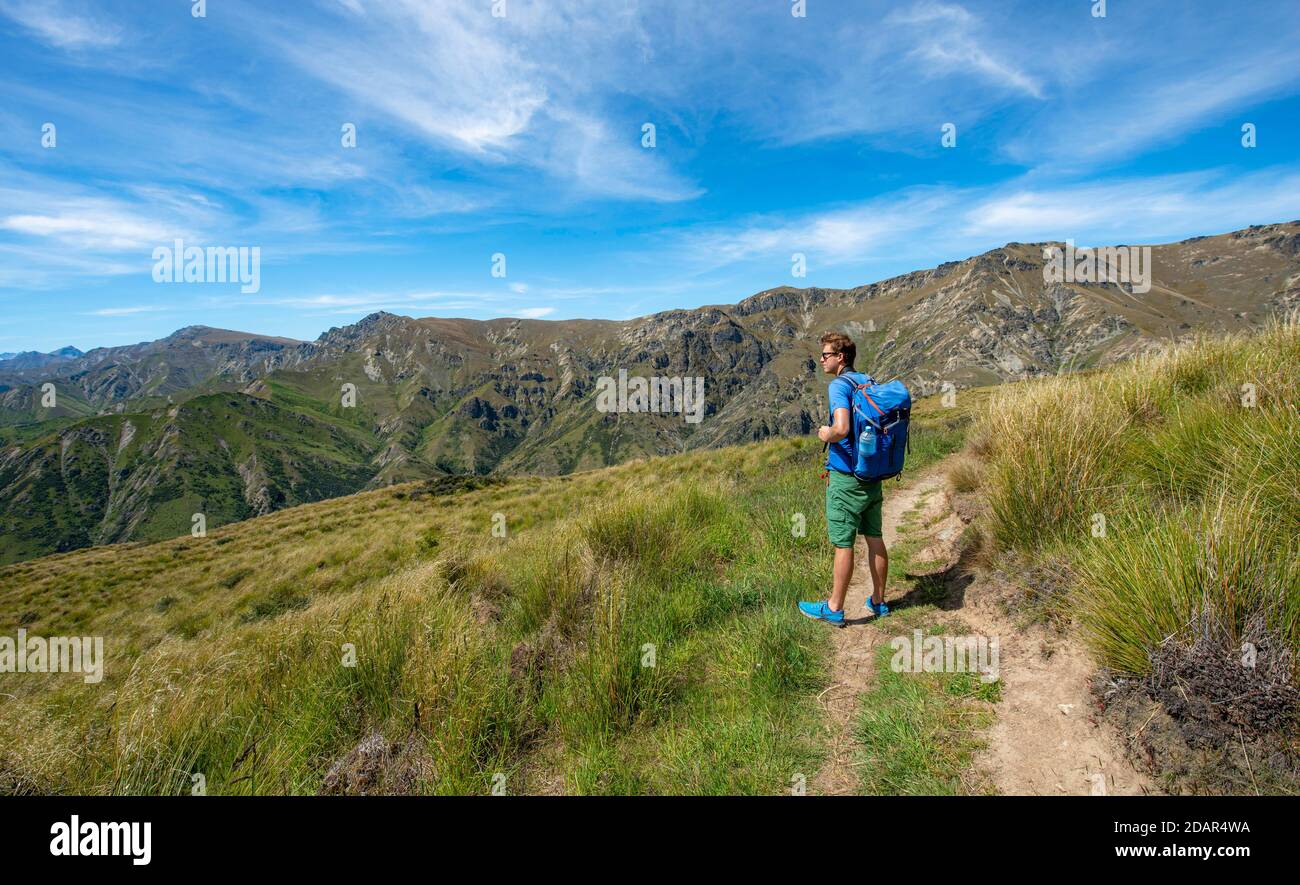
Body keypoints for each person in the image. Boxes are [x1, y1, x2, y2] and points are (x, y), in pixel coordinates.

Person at [797, 332, 890, 627]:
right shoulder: (868, 380)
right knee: (874, 537)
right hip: (872, 474)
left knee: (843, 543)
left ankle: (834, 608)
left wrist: (826, 434)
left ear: (841, 357)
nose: (821, 360)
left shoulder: (839, 385)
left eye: (826, 355)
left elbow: (841, 428)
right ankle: (878, 600)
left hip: (846, 478)